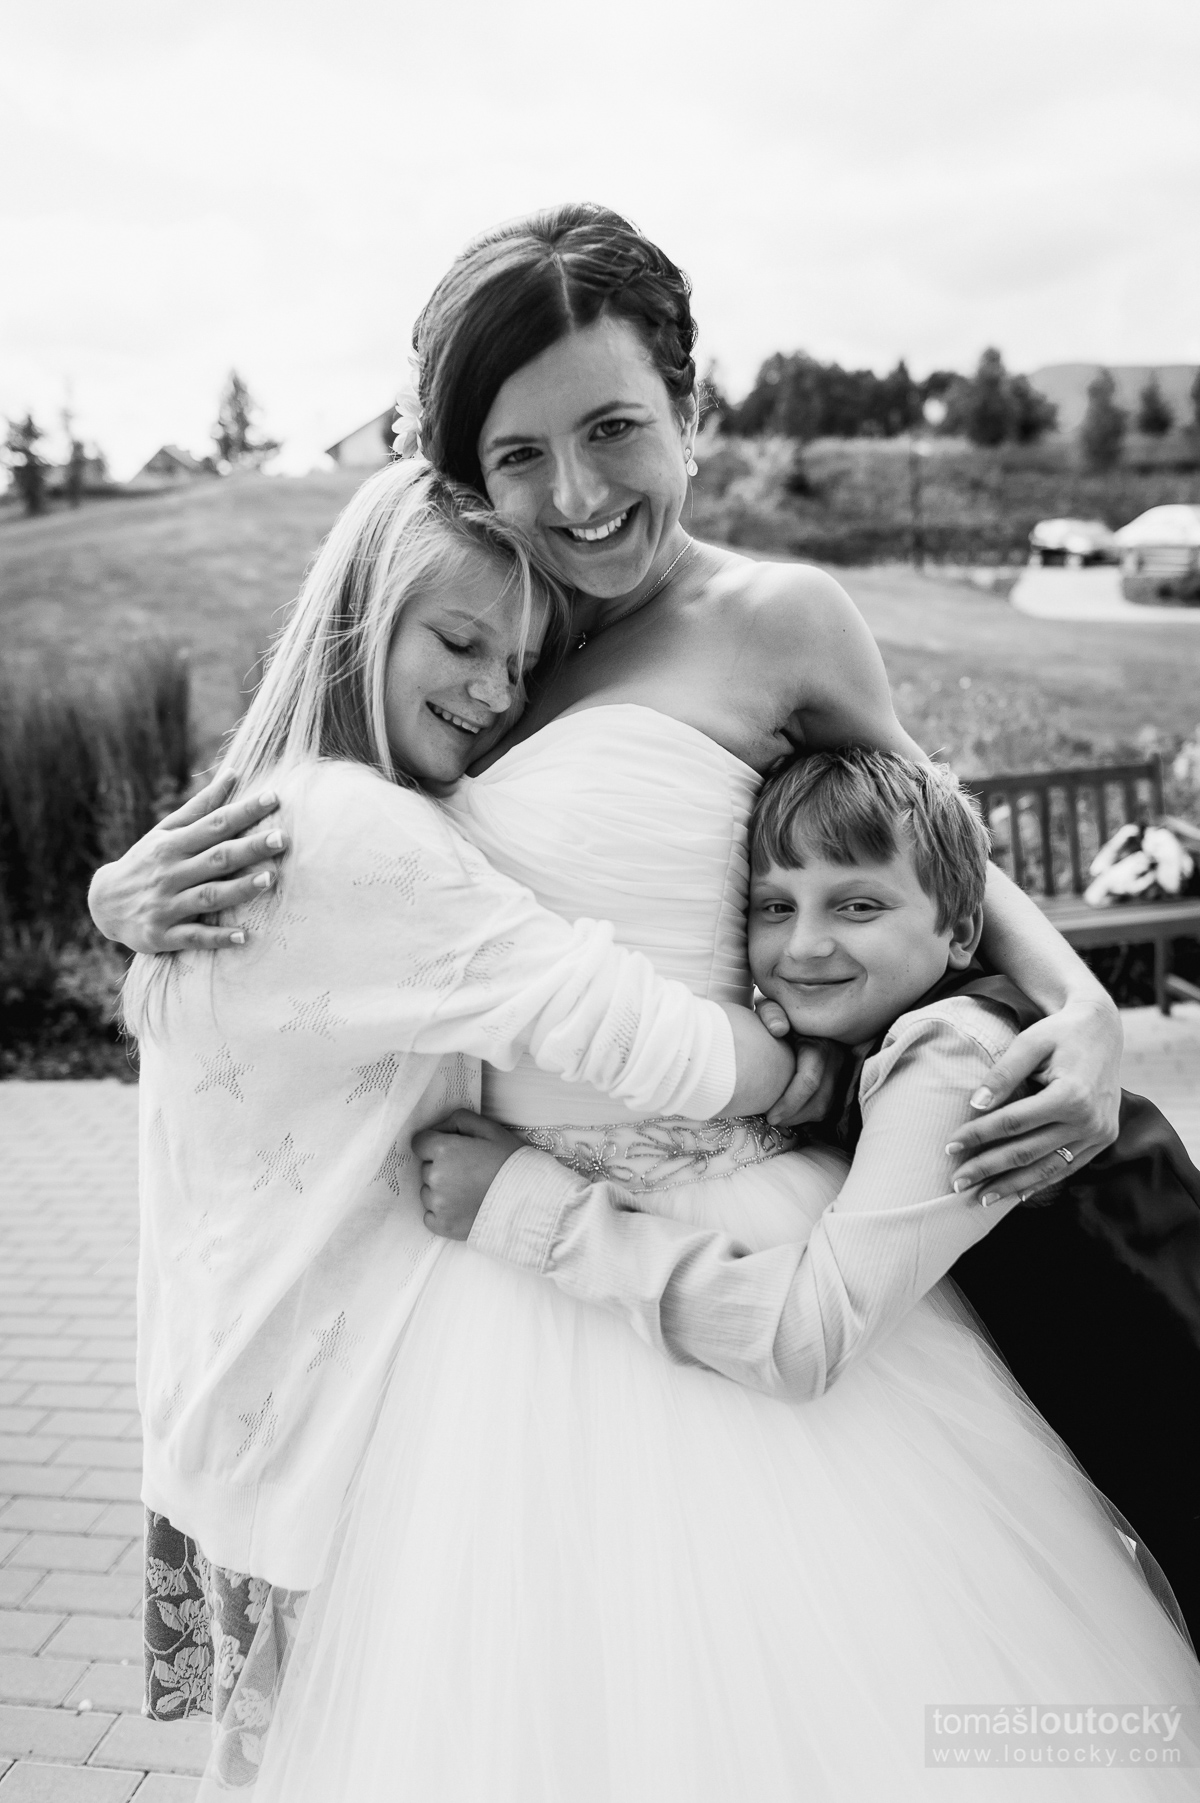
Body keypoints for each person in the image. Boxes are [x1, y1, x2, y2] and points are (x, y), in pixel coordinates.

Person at [92, 203, 1123, 1210]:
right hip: (456, 1202)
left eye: (613, 428)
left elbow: (930, 841)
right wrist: (117, 901)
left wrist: (1082, 1004)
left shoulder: (779, 621)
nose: (580, 495)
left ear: (688, 416)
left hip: (690, 1207)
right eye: (521, 455)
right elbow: (318, 840)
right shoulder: (467, 644)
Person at [231, 745, 1198, 1801]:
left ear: (963, 930)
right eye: (774, 907)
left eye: (858, 905)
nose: (806, 944)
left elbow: (803, 1337)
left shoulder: (955, 1062)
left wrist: (526, 1203)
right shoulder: (904, 1030)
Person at [126, 457, 805, 1729]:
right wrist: (806, 1070)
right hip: (317, 1420)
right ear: (358, 622)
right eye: (459, 642)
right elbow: (622, 1027)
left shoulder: (268, 811)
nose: (495, 693)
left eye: (520, 662)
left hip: (229, 1394)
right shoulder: (363, 836)